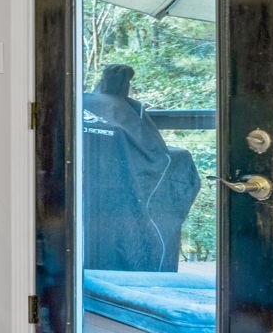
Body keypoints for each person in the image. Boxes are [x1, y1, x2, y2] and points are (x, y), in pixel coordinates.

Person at [82, 64, 202, 271]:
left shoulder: (83, 102)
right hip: (123, 198)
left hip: (88, 188)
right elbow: (154, 152)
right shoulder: (131, 109)